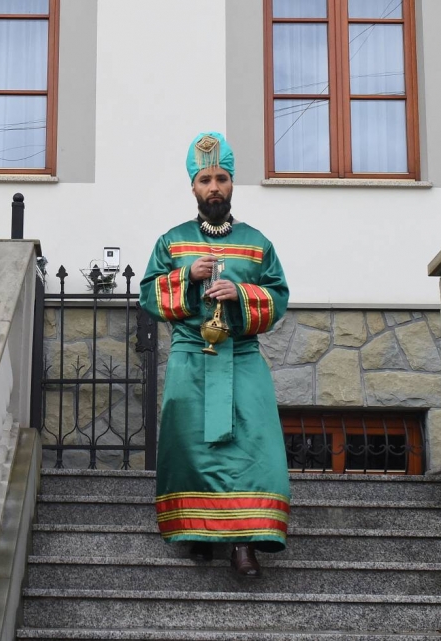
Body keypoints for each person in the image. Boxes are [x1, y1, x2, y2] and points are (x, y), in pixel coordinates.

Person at [139, 132, 290, 577]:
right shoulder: (172, 242)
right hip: (191, 357)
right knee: (190, 447)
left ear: (232, 183)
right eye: (205, 180)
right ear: (193, 186)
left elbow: (278, 296)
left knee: (255, 446)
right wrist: (187, 276)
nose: (214, 187)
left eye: (221, 178)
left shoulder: (257, 243)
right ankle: (198, 533)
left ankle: (245, 543)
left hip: (242, 357)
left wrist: (241, 294)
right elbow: (148, 295)